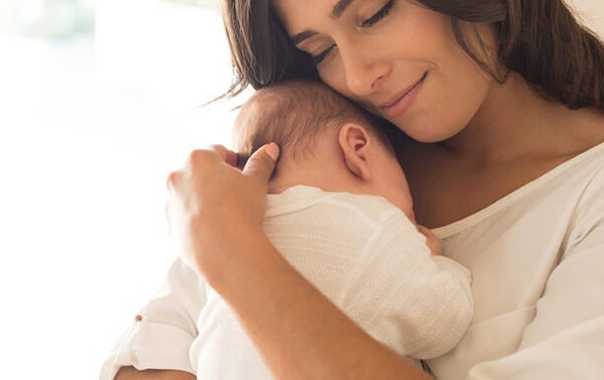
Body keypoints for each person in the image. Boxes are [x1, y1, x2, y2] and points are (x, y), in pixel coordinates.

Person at [115, 0, 604, 379]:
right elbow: (144, 360)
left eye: (374, 14)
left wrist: (232, 252)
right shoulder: (329, 162)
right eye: (320, 52)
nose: (356, 76)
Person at [100, 80, 473, 380]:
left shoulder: (217, 240)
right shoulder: (371, 226)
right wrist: (434, 260)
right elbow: (442, 323)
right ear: (358, 149)